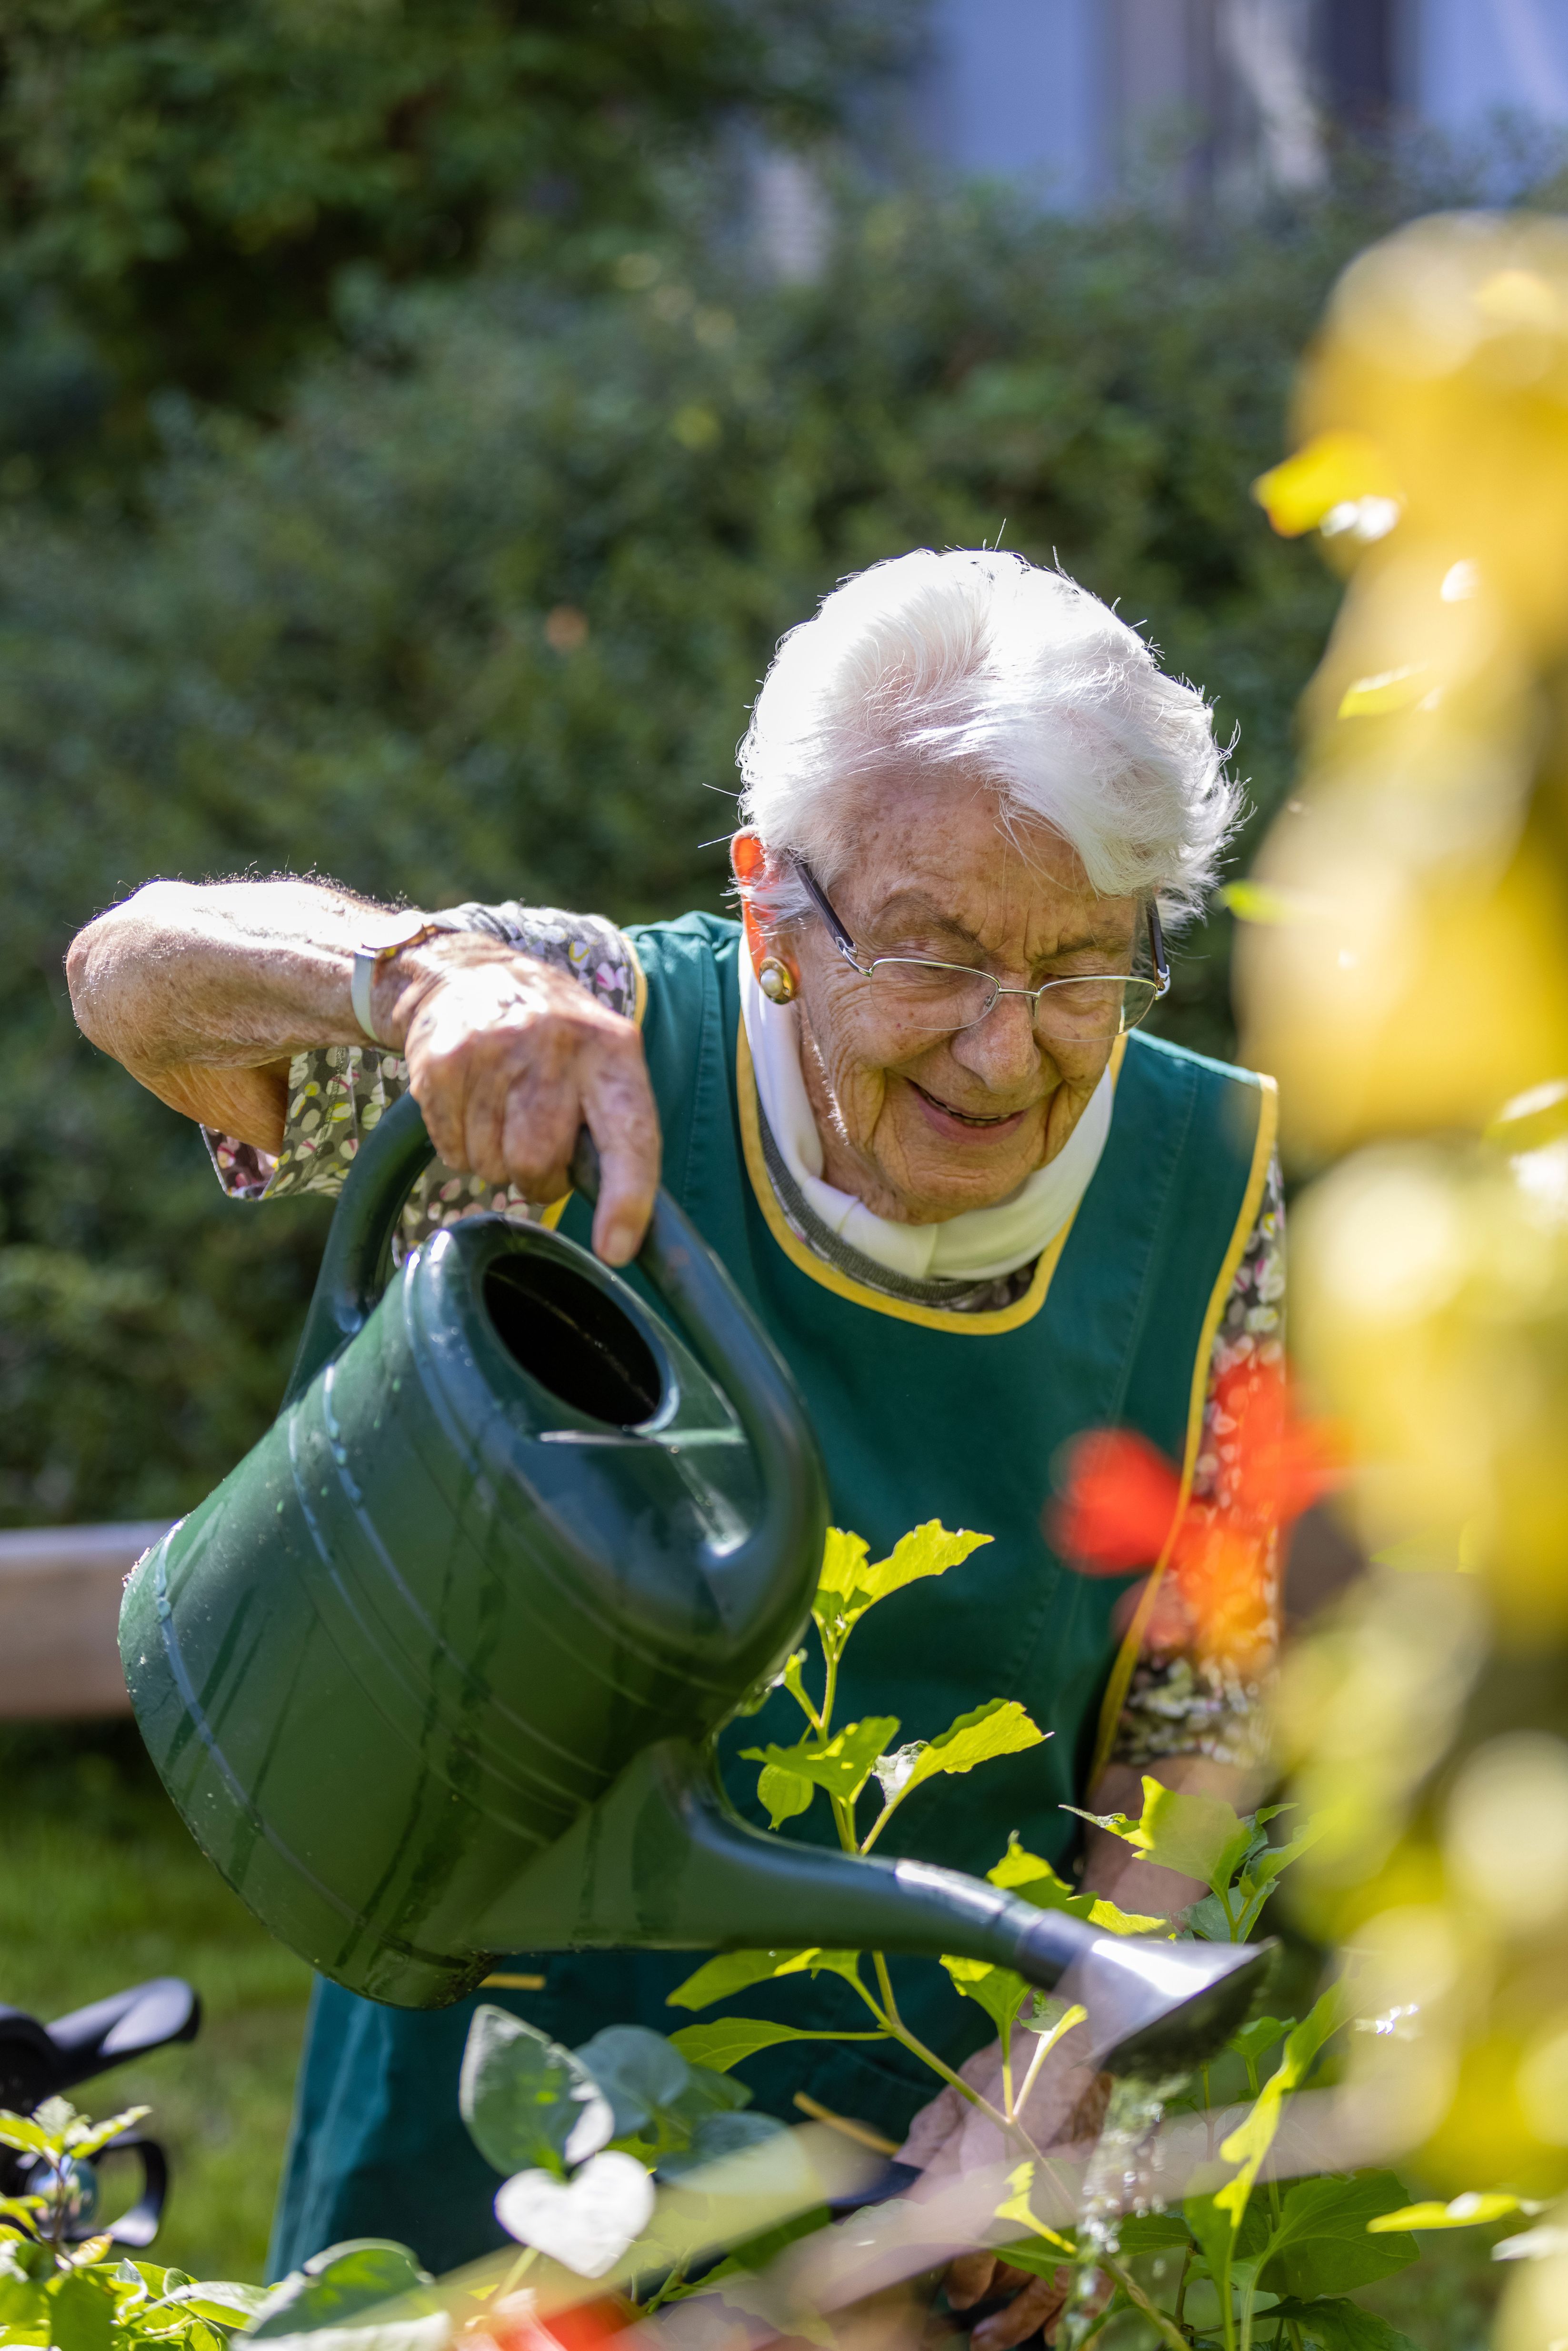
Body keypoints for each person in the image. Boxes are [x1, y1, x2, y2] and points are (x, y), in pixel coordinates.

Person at [68, 550, 1283, 2342]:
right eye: (937, 948)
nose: (1006, 1043)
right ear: (770, 901)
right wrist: (412, 984)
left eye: (1086, 965)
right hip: (484, 2137)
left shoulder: (1214, 1190)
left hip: (926, 2182)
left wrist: (1073, 2060)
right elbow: (131, 976)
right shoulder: (574, 1044)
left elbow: (1210, 1692)